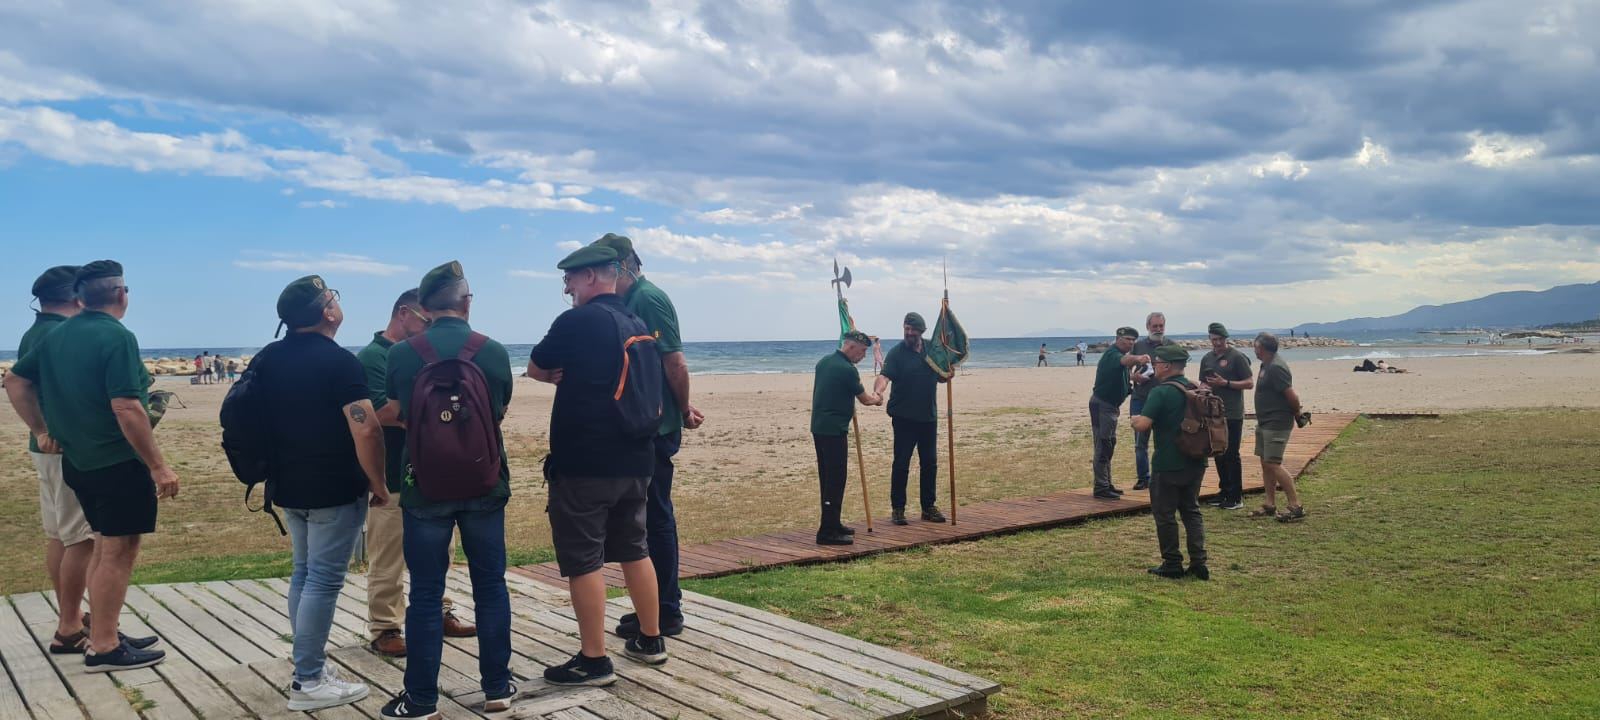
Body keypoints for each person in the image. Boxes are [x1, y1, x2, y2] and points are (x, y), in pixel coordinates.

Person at [5, 260, 173, 672]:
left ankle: (103, 631)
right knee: (118, 551)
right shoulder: (117, 335)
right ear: (121, 294)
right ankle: (103, 645)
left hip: (79, 462)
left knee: (100, 544)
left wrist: (42, 429)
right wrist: (158, 466)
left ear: (81, 298)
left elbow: (14, 380)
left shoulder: (59, 334)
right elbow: (127, 407)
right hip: (115, 460)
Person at [526, 246, 669, 687]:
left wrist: (554, 376)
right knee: (635, 548)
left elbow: (536, 366)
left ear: (590, 276)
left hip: (586, 461)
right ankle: (651, 639)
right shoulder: (636, 322)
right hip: (637, 457)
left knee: (584, 559)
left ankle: (594, 659)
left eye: (569, 279)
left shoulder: (577, 321)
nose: (567, 288)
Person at [382, 262, 516, 718]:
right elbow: (497, 412)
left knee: (424, 593)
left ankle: (421, 699)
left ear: (423, 308)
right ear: (467, 303)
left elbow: (398, 411)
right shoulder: (492, 351)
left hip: (423, 485)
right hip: (485, 482)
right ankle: (497, 687)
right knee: (490, 586)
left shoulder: (402, 354)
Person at [252, 275, 388, 711]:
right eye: (333, 298)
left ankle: (308, 668)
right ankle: (308, 680)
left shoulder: (268, 357)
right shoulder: (340, 362)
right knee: (323, 580)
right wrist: (378, 482)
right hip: (333, 486)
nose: (337, 303)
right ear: (327, 312)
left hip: (287, 484)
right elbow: (366, 428)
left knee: (304, 573)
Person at [589, 234, 706, 642]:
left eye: (603, 269)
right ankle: (652, 607)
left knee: (655, 519)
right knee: (640, 519)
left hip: (655, 429)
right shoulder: (630, 300)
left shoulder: (648, 298)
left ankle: (667, 610)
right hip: (643, 424)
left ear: (623, 267)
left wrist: (684, 408)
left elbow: (674, 362)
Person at [357, 289, 476, 659]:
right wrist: (439, 418)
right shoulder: (374, 357)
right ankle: (385, 627)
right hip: (391, 474)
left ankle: (438, 611)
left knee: (440, 551)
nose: (431, 326)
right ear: (404, 313)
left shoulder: (420, 352)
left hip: (431, 473)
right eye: (426, 320)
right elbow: (378, 412)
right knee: (387, 557)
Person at [13, 266, 101, 656]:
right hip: (66, 448)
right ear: (75, 295)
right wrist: (43, 427)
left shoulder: (35, 332)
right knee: (82, 538)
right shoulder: (61, 333)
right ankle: (69, 626)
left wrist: (39, 430)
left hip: (46, 449)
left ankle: (72, 616)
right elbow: (16, 383)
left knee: (61, 536)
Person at [1131, 345, 1209, 580]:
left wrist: (1134, 419)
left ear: (1166, 366)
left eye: (1156, 363)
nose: (1154, 366)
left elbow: (1143, 425)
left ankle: (1172, 562)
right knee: (1191, 510)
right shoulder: (1194, 388)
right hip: (1196, 459)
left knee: (1165, 514)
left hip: (1168, 461)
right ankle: (1199, 562)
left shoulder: (1161, 392)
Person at [873, 312, 947, 525]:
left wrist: (948, 374)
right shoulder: (897, 353)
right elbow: (884, 376)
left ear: (921, 331)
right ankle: (898, 509)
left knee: (930, 463)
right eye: (906, 328)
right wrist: (878, 392)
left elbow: (941, 376)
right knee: (901, 464)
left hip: (928, 417)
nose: (909, 333)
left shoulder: (932, 349)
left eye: (913, 329)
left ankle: (928, 507)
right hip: (904, 417)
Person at [812, 330, 885, 544]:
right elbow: (865, 399)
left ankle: (833, 522)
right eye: (862, 351)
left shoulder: (824, 362)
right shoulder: (847, 369)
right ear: (851, 346)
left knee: (827, 478)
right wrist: (878, 398)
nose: (863, 356)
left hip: (819, 427)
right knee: (835, 480)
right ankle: (827, 532)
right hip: (834, 430)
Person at [1251, 332, 1308, 523]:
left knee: (1273, 463)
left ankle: (1295, 506)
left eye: (1255, 346)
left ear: (1261, 348)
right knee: (1265, 462)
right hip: (1265, 422)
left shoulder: (1276, 367)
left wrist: (1297, 414)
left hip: (1277, 423)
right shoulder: (1266, 364)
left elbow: (1292, 396)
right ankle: (1270, 503)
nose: (1254, 350)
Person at [1199, 323, 1252, 511]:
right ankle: (1224, 491)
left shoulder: (1237, 357)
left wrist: (1226, 383)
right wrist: (1204, 387)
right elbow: (1202, 382)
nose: (1217, 343)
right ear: (1210, 339)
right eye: (1214, 339)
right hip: (1214, 413)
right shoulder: (1206, 358)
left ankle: (1236, 496)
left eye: (1220, 339)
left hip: (1233, 412)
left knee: (1231, 454)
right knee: (1218, 453)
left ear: (1226, 338)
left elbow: (1249, 383)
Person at [1090, 327, 1146, 499]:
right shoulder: (1112, 354)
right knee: (1103, 446)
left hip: (1111, 407)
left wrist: (1133, 378)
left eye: (1133, 340)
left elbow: (1119, 373)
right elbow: (1124, 361)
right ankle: (1101, 487)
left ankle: (1106, 483)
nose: (1130, 343)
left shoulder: (1119, 357)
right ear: (1117, 339)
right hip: (1103, 405)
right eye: (1127, 339)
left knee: (1108, 444)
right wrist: (1138, 358)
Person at [1128, 312, 1175, 491]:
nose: (1158, 329)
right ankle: (1143, 479)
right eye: (1154, 326)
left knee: (1165, 441)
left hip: (1165, 400)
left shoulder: (1171, 345)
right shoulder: (1138, 346)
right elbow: (1125, 368)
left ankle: (1162, 477)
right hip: (1140, 399)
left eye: (1161, 326)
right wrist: (1133, 376)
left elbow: (1179, 370)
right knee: (1140, 442)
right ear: (1147, 327)